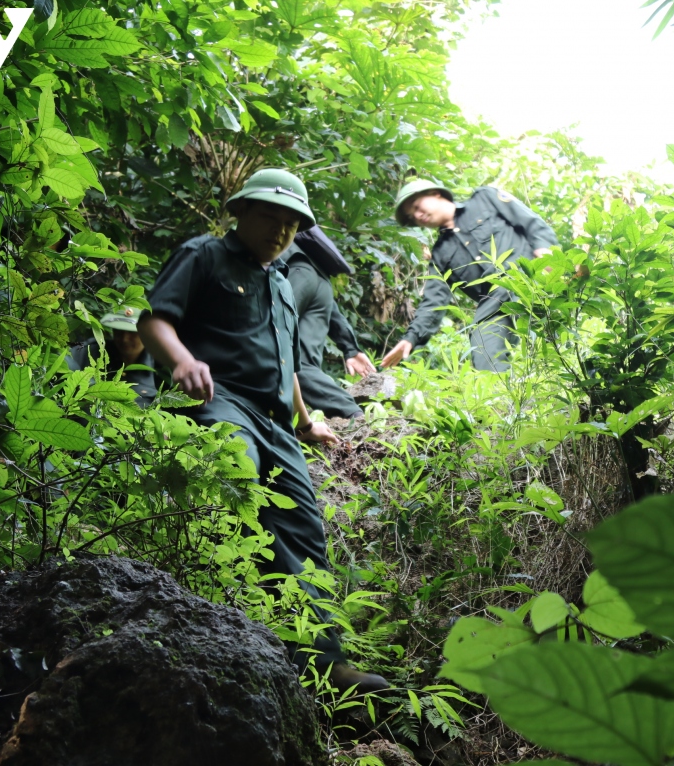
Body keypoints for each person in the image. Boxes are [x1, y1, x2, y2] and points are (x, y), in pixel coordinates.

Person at [137, 168, 389, 693]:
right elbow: (154, 320)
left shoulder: (281, 282)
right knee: (234, 468)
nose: (280, 229)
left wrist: (307, 421)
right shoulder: (204, 255)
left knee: (305, 531)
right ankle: (209, 610)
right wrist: (182, 361)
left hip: (278, 423)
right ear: (242, 212)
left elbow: (287, 364)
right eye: (269, 215)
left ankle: (324, 663)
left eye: (291, 222)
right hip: (222, 401)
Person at [380, 180, 558, 372]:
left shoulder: (484, 199)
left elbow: (531, 222)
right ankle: (504, 400)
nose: (417, 215)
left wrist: (546, 253)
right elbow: (433, 303)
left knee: (561, 344)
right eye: (412, 216)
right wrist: (411, 338)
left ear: (435, 193)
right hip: (496, 303)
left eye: (417, 206)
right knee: (482, 344)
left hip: (532, 276)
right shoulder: (440, 254)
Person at [284, 225, 375, 419]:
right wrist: (351, 348)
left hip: (297, 271)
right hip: (320, 281)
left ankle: (352, 415)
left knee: (280, 348)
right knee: (300, 361)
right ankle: (353, 414)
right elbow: (333, 312)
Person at [67, 309, 157, 408]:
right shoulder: (90, 352)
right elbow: (63, 360)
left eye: (132, 333)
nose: (125, 339)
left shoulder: (161, 366)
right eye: (119, 331)